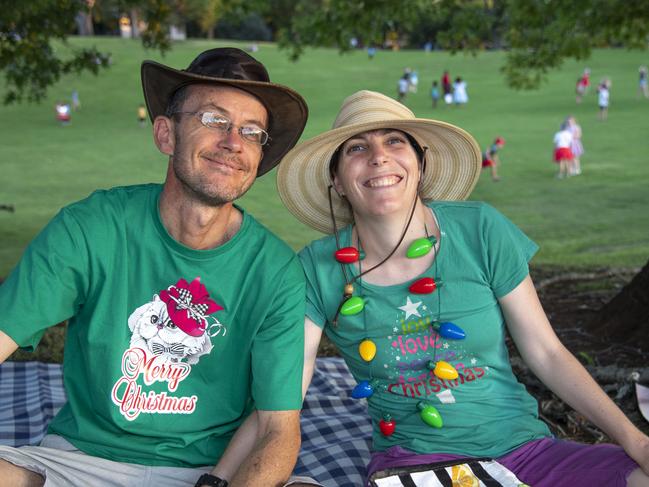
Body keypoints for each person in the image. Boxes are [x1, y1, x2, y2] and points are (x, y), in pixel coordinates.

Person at [276, 90, 649, 486]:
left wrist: (636, 441)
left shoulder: (481, 230)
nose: (378, 155)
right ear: (337, 180)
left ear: (420, 163)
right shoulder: (318, 268)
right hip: (420, 464)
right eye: (356, 147)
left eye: (395, 140)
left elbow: (547, 352)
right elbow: (289, 390)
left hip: (528, 451)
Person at [0, 47, 319, 487]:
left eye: (251, 132)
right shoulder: (92, 226)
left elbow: (277, 429)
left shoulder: (276, 270)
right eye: (213, 120)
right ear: (166, 135)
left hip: (213, 471)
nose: (232, 142)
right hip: (83, 462)